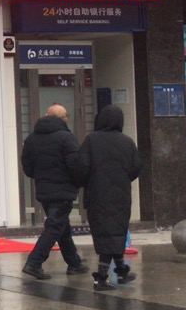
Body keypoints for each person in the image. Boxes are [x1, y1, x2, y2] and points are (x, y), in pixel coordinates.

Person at [73, 104, 141, 291]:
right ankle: (111, 274)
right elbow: (136, 167)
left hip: (97, 195)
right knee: (116, 232)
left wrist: (87, 182)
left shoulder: (91, 140)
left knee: (105, 234)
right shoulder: (127, 142)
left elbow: (82, 168)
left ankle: (109, 274)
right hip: (121, 196)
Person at [20, 103, 89, 280]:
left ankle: (74, 263)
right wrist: (78, 182)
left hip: (43, 190)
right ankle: (34, 262)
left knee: (61, 226)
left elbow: (27, 166)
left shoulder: (32, 139)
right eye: (66, 116)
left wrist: (41, 177)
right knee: (55, 227)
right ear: (63, 119)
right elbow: (75, 165)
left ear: (46, 115)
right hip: (63, 191)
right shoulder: (67, 138)